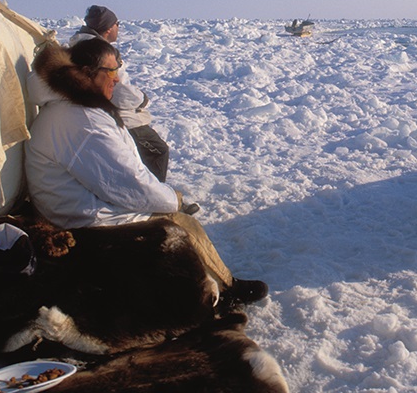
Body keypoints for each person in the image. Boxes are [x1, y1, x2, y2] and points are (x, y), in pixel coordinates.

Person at [24, 37, 267, 306]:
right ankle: (222, 291)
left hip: (76, 209)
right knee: (178, 224)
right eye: (111, 72)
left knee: (168, 213)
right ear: (86, 74)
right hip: (83, 222)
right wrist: (171, 199)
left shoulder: (75, 109)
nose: (116, 79)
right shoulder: (80, 122)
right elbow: (127, 184)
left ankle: (219, 283)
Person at [70, 5, 171, 184]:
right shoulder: (100, 51)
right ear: (109, 28)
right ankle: (156, 199)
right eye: (117, 24)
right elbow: (117, 90)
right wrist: (141, 100)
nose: (118, 28)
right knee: (157, 150)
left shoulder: (78, 44)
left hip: (93, 110)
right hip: (115, 113)